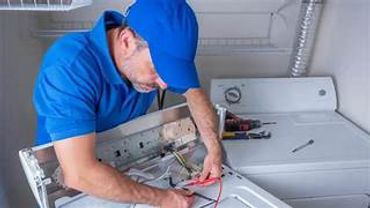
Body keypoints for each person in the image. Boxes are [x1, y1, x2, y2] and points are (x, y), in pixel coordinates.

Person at [33, 0, 222, 207]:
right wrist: (164, 198)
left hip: (125, 167)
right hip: (75, 186)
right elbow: (79, 174)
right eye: (158, 71)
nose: (164, 84)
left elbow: (194, 94)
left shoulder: (147, 54)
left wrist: (213, 148)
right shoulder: (68, 69)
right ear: (127, 41)